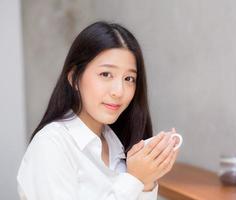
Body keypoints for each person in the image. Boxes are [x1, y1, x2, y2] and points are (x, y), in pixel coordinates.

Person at [16, 21, 180, 200]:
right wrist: (135, 180)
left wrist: (147, 181)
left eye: (129, 78)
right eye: (106, 74)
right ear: (74, 78)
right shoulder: (51, 145)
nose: (119, 91)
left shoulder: (119, 144)